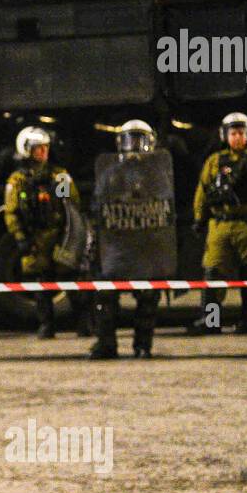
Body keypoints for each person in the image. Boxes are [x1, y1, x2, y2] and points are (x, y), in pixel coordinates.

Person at [188, 112, 247, 336]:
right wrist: (199, 218)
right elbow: (202, 192)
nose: (237, 137)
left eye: (241, 132)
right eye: (233, 133)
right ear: (225, 135)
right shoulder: (214, 161)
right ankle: (211, 321)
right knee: (212, 275)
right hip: (220, 225)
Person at [88, 120, 173, 359]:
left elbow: (166, 208)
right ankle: (106, 343)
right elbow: (97, 206)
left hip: (146, 243)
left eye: (140, 140)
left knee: (148, 297)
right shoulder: (111, 174)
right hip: (118, 244)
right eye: (130, 140)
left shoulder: (157, 175)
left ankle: (143, 344)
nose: (134, 146)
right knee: (105, 294)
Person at [4, 126, 91, 339]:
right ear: (26, 150)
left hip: (59, 236)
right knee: (41, 286)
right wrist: (21, 238)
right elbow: (12, 212)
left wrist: (70, 237)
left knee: (72, 281)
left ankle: (85, 324)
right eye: (37, 149)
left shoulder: (59, 176)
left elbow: (70, 206)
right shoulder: (18, 181)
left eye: (44, 148)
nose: (42, 152)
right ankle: (46, 325)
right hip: (35, 240)